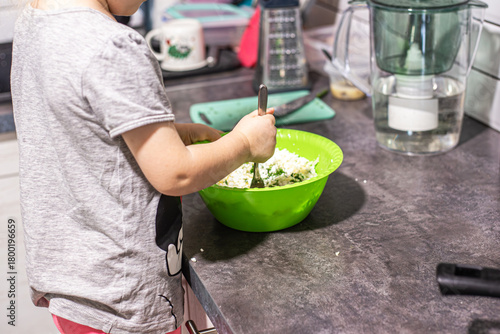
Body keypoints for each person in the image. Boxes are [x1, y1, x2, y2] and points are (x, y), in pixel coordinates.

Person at [10, 1, 276, 333]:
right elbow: (177, 173)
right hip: (125, 301)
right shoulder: (113, 45)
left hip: (77, 289)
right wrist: (246, 143)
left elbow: (78, 130)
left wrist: (169, 135)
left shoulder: (36, 23)